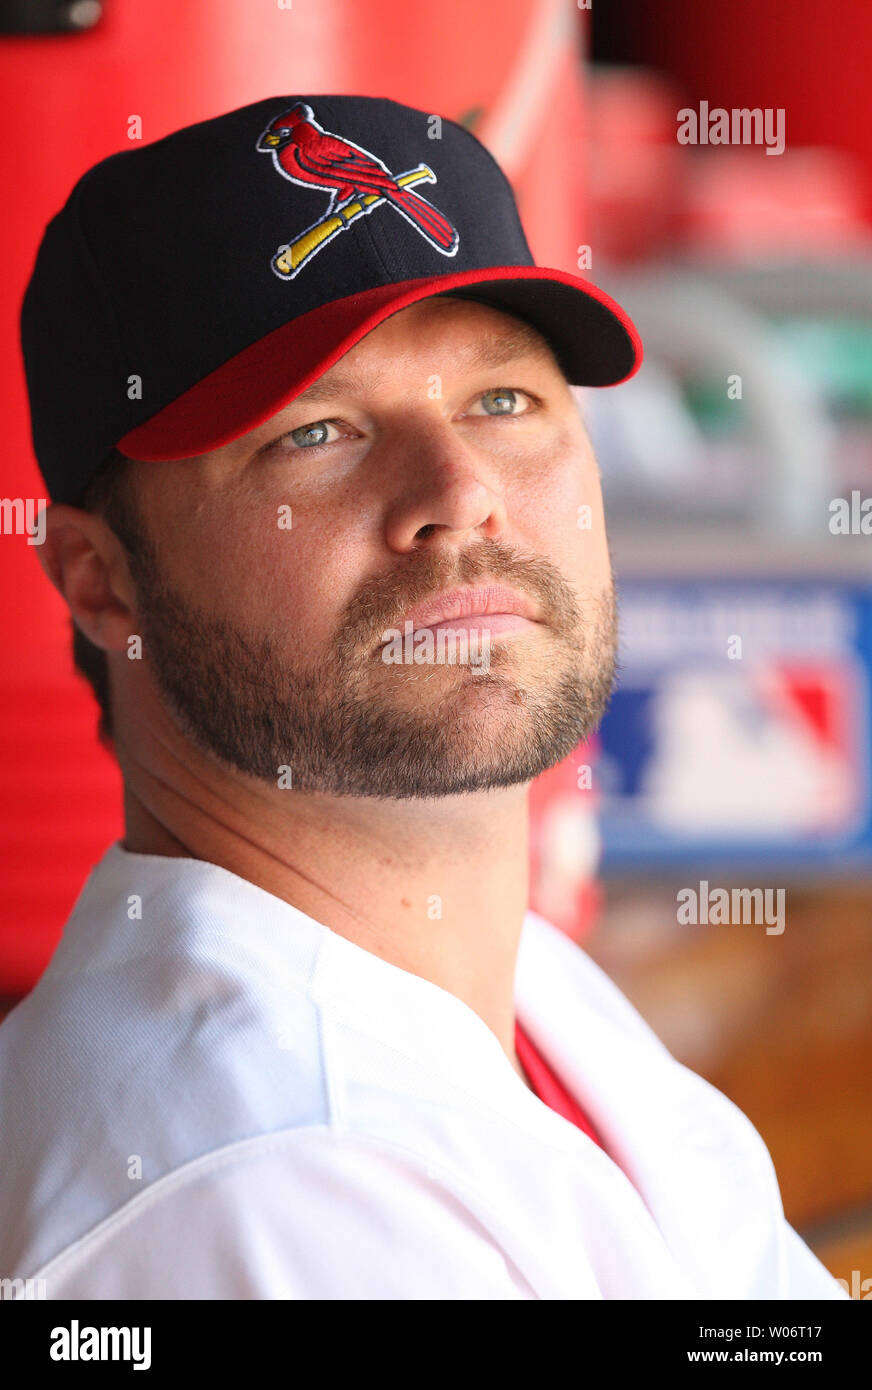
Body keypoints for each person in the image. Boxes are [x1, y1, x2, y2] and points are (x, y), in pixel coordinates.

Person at [2, 94, 845, 1299]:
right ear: (102, 583)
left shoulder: (528, 998)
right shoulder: (261, 1185)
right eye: (319, 433)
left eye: (503, 402)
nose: (459, 491)